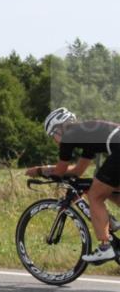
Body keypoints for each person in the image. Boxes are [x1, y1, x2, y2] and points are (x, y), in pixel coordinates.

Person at [26, 108, 120, 261]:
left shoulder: (69, 136)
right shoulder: (86, 135)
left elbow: (60, 171)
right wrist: (53, 171)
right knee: (107, 188)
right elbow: (78, 170)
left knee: (95, 195)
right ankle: (111, 222)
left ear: (60, 128)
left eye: (53, 135)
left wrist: (40, 171)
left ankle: (105, 247)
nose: (55, 140)